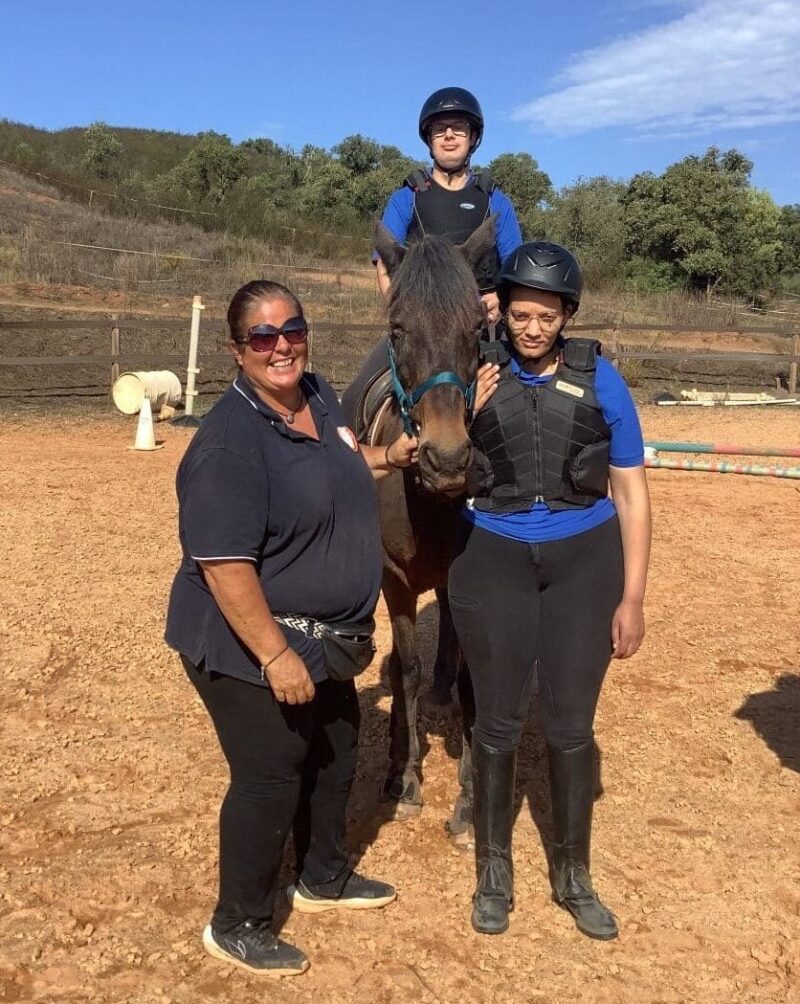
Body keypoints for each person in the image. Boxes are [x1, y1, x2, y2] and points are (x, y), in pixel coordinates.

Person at [165, 279, 417, 978]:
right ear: (237, 351)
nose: (282, 347)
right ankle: (237, 920)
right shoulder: (229, 444)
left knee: (337, 748)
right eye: (263, 337)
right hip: (248, 640)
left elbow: (339, 460)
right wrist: (276, 656)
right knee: (271, 772)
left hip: (322, 635)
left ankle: (322, 876)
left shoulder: (319, 397)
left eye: (292, 330)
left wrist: (386, 459)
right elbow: (223, 567)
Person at [448, 242, 652, 939]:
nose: (532, 328)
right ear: (501, 311)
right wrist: (466, 411)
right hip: (494, 556)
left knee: (569, 726)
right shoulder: (476, 373)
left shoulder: (603, 380)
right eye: (521, 314)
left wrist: (633, 595)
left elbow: (631, 489)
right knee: (498, 722)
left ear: (567, 316)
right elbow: (440, 463)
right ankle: (494, 872)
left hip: (584, 560)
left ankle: (572, 874)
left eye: (547, 315)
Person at [341, 86, 523, 435]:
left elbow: (514, 267)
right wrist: (403, 310)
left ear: (473, 137)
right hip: (419, 326)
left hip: (480, 323)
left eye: (459, 128)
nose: (449, 136)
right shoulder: (406, 197)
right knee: (355, 396)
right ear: (429, 139)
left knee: (527, 395)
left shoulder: (495, 200)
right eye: (440, 129)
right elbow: (384, 262)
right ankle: (350, 463)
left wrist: (498, 299)